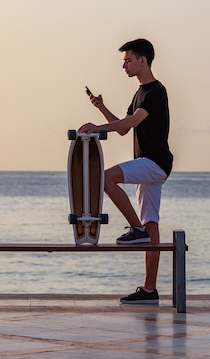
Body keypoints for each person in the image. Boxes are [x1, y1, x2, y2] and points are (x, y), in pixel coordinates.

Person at [78, 38, 173, 304]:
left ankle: (136, 229)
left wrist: (97, 127)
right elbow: (122, 128)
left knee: (105, 178)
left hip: (154, 163)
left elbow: (132, 121)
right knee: (152, 224)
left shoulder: (156, 91)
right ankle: (150, 290)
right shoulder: (139, 93)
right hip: (150, 165)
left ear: (143, 60)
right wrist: (101, 108)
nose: (124, 66)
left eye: (128, 60)